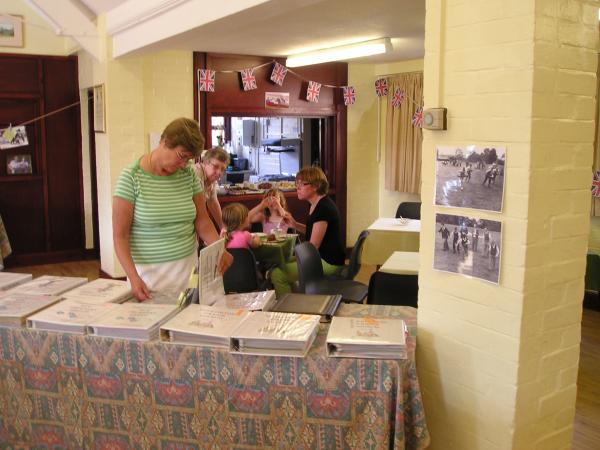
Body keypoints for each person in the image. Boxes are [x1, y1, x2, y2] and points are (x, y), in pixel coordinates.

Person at [113, 117, 232, 301]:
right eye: (182, 156)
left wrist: (219, 248)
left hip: (187, 274)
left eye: (189, 159)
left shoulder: (188, 175)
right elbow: (120, 237)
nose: (184, 164)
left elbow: (202, 220)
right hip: (148, 279)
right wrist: (133, 278)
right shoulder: (131, 178)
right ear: (165, 142)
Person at [270, 166, 345, 297]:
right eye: (297, 183)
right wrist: (294, 224)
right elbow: (313, 231)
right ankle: (296, 299)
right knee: (282, 261)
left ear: (316, 186)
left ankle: (288, 306)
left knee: (278, 274)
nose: (297, 187)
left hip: (329, 262)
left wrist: (295, 255)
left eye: (302, 184)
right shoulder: (316, 204)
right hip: (321, 257)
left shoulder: (323, 208)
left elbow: (313, 247)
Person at [193, 147, 230, 231]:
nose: (219, 172)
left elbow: (213, 202)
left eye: (223, 169)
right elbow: (201, 214)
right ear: (205, 162)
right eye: (215, 166)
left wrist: (223, 227)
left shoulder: (211, 179)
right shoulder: (196, 173)